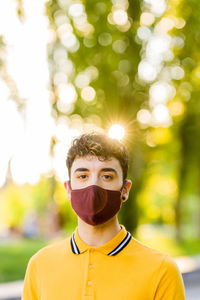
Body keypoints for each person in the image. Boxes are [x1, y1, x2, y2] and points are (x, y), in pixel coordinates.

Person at [22, 132, 185, 300]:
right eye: (83, 176)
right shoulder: (40, 265)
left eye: (106, 176)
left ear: (125, 190)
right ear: (69, 190)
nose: (93, 186)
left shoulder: (162, 270)